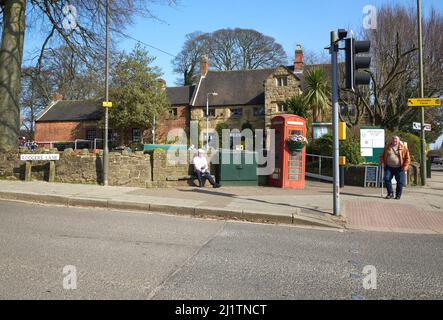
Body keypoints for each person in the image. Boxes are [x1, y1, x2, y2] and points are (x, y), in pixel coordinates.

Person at [379, 136, 411, 200]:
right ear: (391, 140)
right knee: (386, 179)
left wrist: (406, 166)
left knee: (400, 182)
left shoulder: (403, 148)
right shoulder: (387, 147)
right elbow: (381, 156)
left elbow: (408, 158)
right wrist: (382, 162)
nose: (395, 141)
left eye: (396, 140)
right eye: (393, 140)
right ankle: (390, 193)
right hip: (389, 167)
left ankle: (398, 195)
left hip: (400, 167)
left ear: (399, 140)